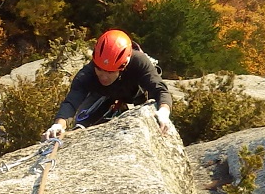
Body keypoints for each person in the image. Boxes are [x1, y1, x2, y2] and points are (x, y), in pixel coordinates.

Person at [43, 30, 174, 139]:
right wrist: (59, 125)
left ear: (124, 65)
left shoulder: (139, 62)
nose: (104, 76)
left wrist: (163, 111)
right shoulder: (87, 74)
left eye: (110, 72)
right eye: (99, 69)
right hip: (105, 95)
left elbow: (160, 89)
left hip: (135, 92)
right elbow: (71, 102)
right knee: (81, 122)